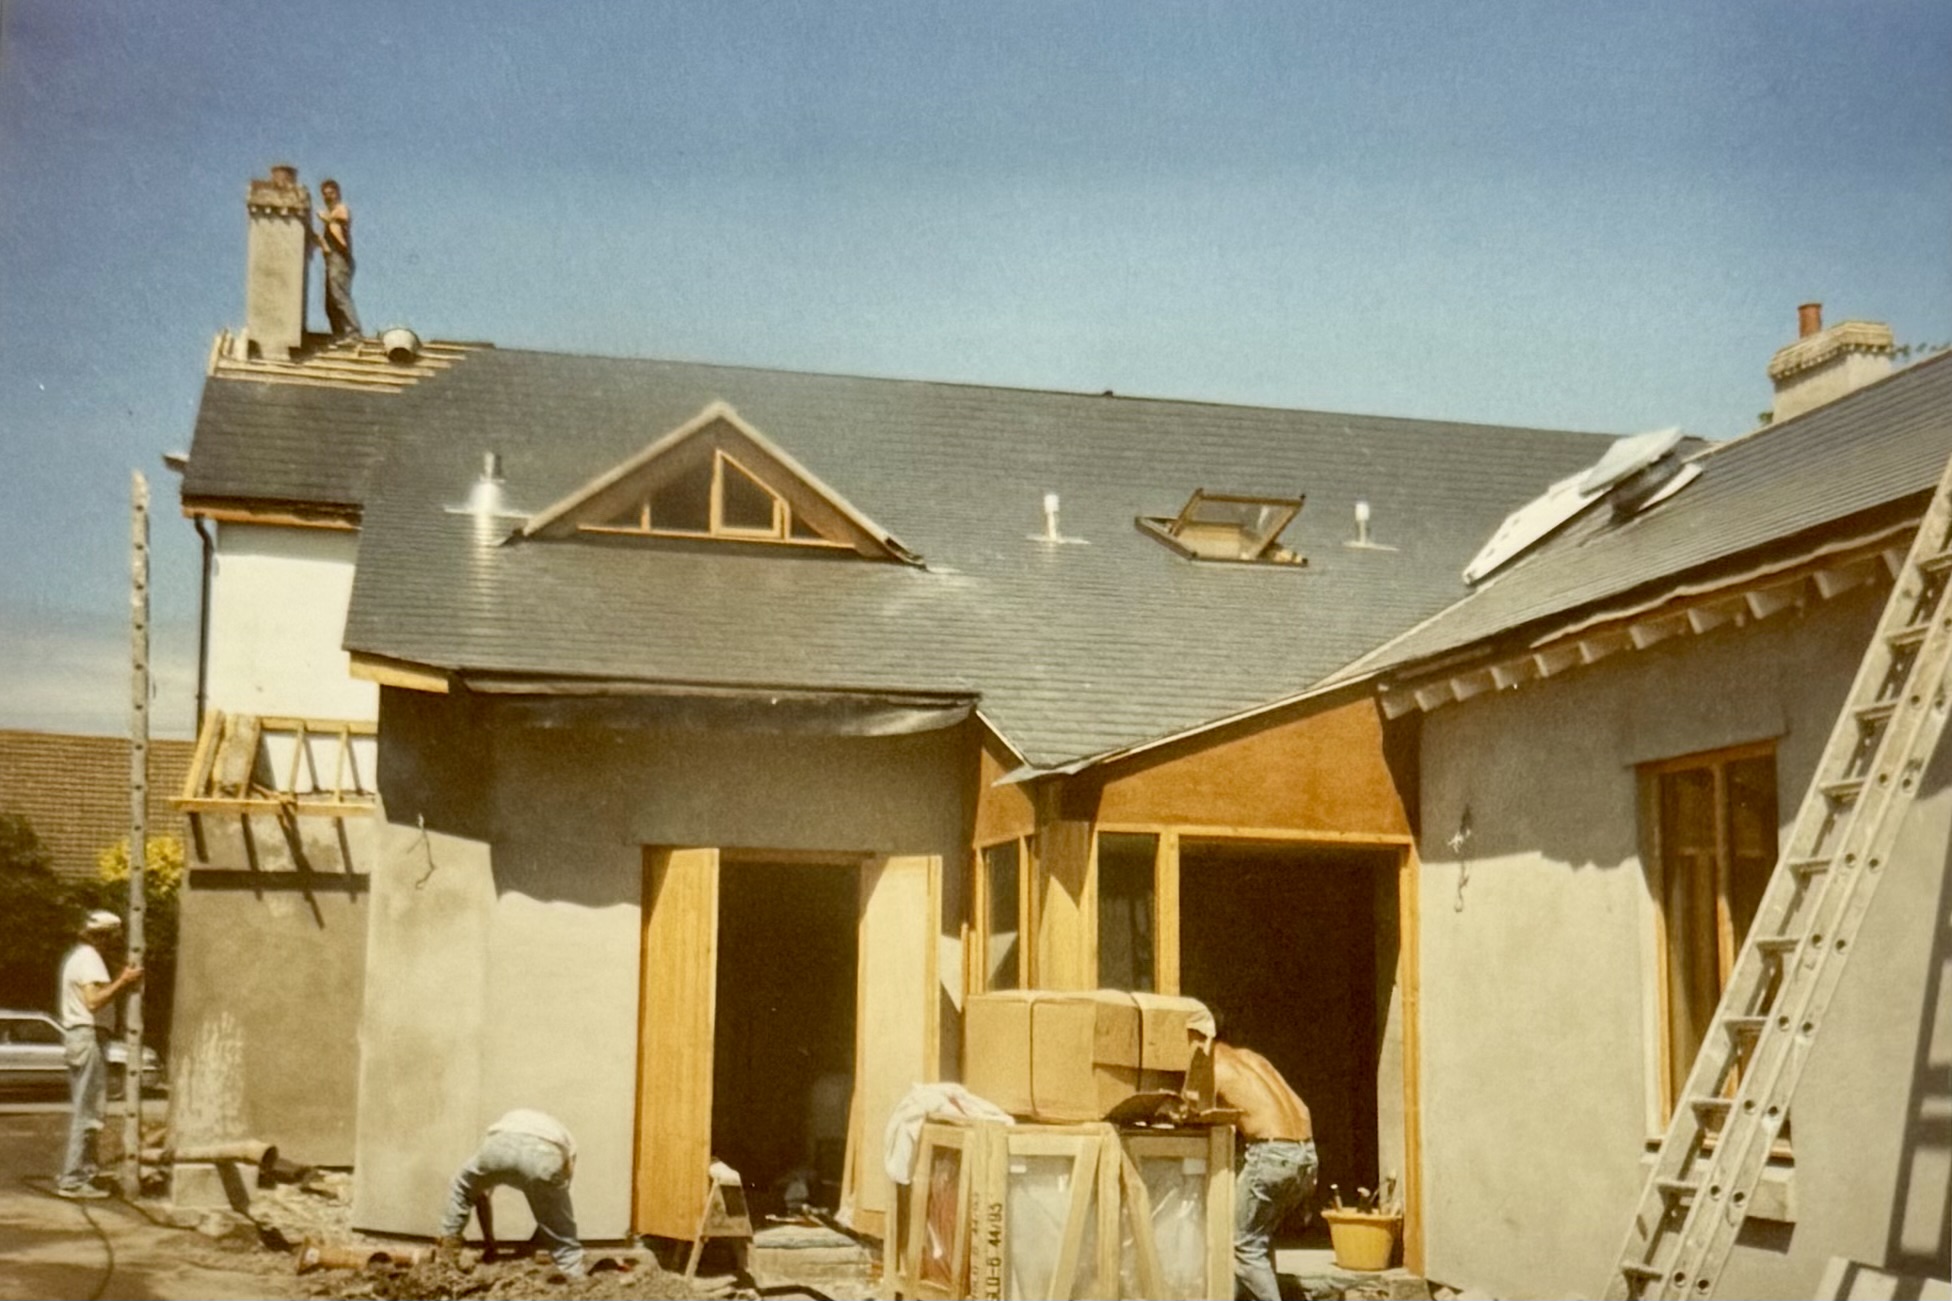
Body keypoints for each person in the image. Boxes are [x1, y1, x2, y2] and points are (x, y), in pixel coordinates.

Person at [1212, 1028, 1317, 1301]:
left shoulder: (1212, 1064)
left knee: (1243, 1246)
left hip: (1271, 1153)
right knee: (1258, 1239)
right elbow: (1301, 1109)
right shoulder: (1253, 1058)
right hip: (1305, 1152)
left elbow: (1190, 1111)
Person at [57, 910, 143, 1199]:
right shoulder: (89, 958)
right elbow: (93, 1001)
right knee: (89, 1110)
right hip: (87, 1034)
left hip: (83, 1036)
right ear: (105, 936)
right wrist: (123, 980)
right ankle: (72, 1179)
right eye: (113, 938)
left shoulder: (79, 957)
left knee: (91, 1108)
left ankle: (85, 1173)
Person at [436, 1109, 584, 1276]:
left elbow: (482, 1196)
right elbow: (553, 1211)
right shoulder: (567, 1141)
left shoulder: (513, 1118)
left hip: (498, 1146)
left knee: (461, 1188)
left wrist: (490, 1243)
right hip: (544, 1153)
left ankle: (447, 1253)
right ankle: (573, 1274)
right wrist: (535, 1244)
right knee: (563, 1233)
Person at [313, 178, 363, 342]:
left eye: (331, 193)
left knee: (339, 296)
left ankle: (354, 333)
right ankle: (340, 333)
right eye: (325, 194)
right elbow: (328, 244)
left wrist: (325, 217)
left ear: (337, 194)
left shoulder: (341, 209)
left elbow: (341, 218)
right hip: (331, 260)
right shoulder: (331, 217)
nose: (328, 197)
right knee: (330, 302)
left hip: (340, 260)